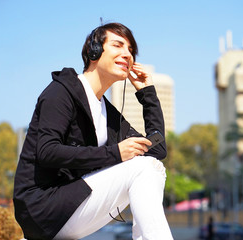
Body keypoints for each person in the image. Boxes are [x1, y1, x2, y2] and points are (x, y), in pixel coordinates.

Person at [13, 22, 173, 240]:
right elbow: (47, 152)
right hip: (41, 208)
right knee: (144, 168)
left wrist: (148, 95)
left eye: (131, 50)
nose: (127, 54)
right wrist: (115, 153)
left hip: (73, 207)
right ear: (94, 51)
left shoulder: (108, 114)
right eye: (118, 45)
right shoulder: (61, 92)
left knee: (152, 166)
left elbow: (157, 150)